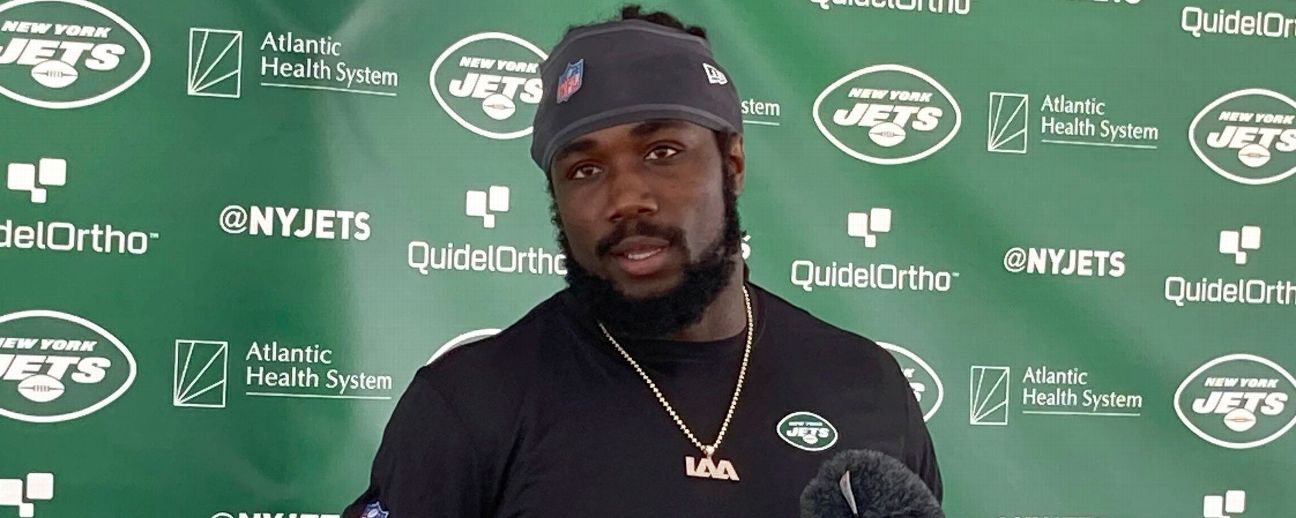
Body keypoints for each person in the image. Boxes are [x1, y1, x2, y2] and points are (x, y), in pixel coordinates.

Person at [345, 6, 941, 517]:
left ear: (731, 162)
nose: (626, 198)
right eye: (585, 169)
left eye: (662, 152)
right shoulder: (471, 405)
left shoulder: (866, 388)